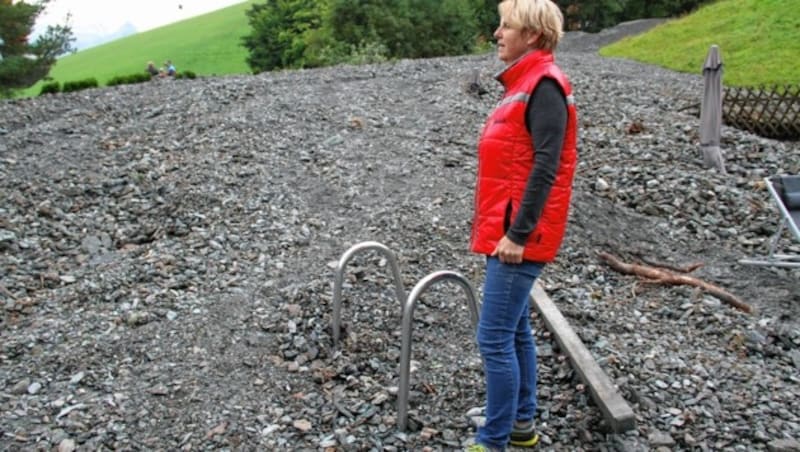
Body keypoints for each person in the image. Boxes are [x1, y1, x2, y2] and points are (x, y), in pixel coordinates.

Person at [467, 0, 577, 451]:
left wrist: (516, 234)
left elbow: (547, 168)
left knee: (492, 338)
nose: (497, 33)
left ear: (532, 35)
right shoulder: (526, 83)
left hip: (518, 235)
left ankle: (493, 440)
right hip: (508, 229)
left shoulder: (544, 85)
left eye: (505, 26)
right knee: (514, 331)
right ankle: (521, 426)